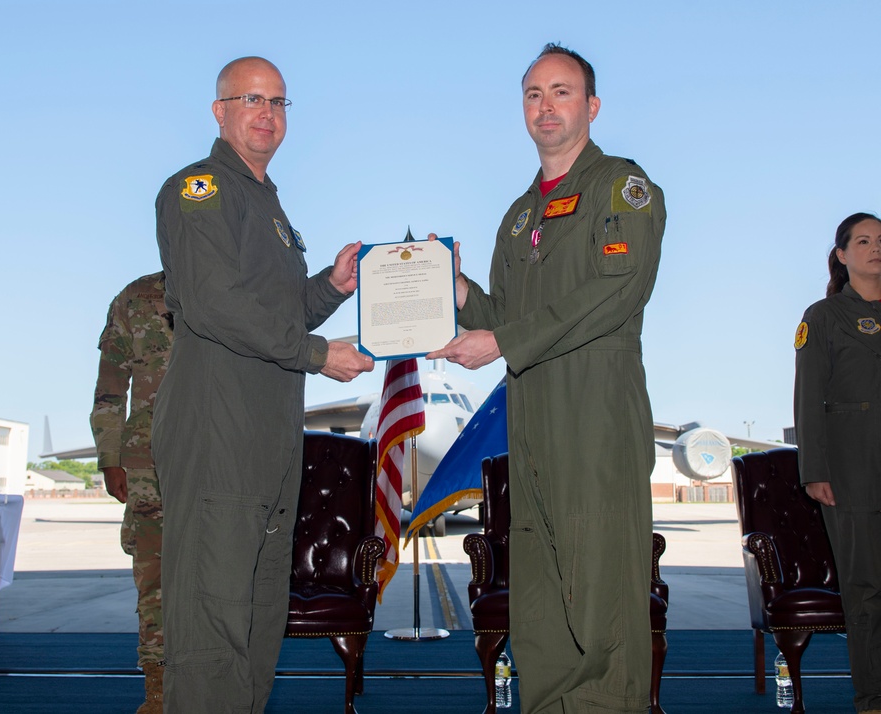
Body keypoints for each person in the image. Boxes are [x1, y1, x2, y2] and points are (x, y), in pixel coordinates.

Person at [428, 44, 665, 712]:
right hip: (529, 426)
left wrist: (500, 338)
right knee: (541, 604)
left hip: (595, 423)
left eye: (562, 92)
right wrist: (459, 289)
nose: (546, 106)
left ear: (590, 106)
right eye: (533, 94)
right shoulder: (518, 216)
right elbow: (508, 316)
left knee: (599, 599)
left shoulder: (621, 187)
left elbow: (616, 288)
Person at [151, 56, 374, 713]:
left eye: (278, 102)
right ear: (220, 112)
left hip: (268, 443)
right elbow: (212, 303)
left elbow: (274, 314)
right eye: (251, 100)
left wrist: (332, 287)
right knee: (211, 629)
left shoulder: (268, 206)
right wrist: (315, 354)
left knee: (254, 627)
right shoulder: (201, 190)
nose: (267, 114)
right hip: (220, 437)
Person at [795, 212, 881, 714]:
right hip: (852, 473)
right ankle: (872, 697)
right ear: (842, 255)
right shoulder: (822, 317)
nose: (875, 248)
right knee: (866, 588)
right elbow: (809, 399)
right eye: (864, 241)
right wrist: (815, 471)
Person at [90, 271, 172, 714]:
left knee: (223, 576)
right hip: (148, 462)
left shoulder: (228, 283)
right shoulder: (136, 297)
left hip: (220, 459)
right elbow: (109, 388)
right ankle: (157, 690)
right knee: (154, 582)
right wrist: (110, 456)